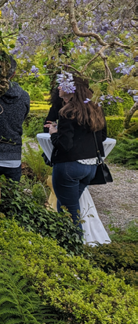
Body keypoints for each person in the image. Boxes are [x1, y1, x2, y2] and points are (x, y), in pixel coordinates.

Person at [43, 74, 107, 233]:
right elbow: (103, 137)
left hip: (69, 167)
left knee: (68, 212)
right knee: (68, 207)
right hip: (91, 167)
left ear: (72, 89)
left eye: (62, 85)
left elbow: (64, 145)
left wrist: (54, 132)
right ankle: (67, 245)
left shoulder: (67, 111)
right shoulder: (96, 108)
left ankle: (74, 249)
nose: (58, 87)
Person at [0, 57, 30, 181]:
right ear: (13, 74)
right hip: (13, 157)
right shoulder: (24, 96)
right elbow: (23, 118)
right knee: (11, 196)